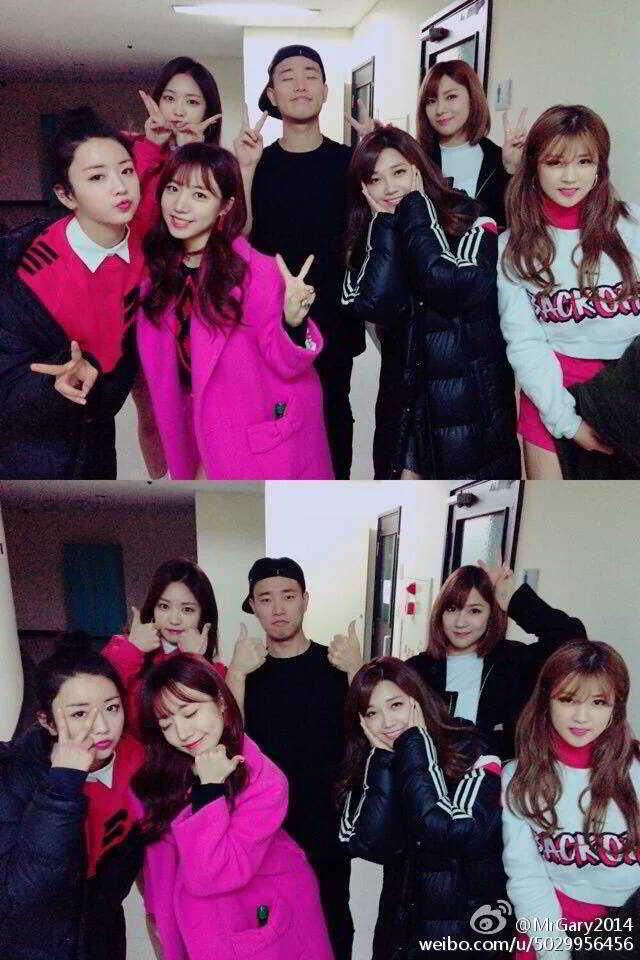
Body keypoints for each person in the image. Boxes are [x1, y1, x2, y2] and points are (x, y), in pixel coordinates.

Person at [135, 141, 333, 479]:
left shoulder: (258, 271)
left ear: (225, 206)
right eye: (173, 188)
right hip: (193, 429)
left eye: (200, 195)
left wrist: (293, 322)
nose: (180, 205)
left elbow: (287, 363)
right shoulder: (157, 275)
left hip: (256, 435)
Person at [341, 125, 521, 479]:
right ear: (363, 188)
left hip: (470, 405)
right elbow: (375, 306)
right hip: (404, 407)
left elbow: (450, 289)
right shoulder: (368, 238)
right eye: (375, 179)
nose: (390, 188)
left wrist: (417, 209)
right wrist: (386, 226)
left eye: (399, 172)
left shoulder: (472, 217)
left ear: (419, 169)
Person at [131, 653, 334, 960]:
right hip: (189, 924)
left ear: (221, 702)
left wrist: (209, 790)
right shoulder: (158, 775)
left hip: (255, 919)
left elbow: (213, 874)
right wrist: (157, 919)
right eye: (167, 724)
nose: (183, 733)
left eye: (190, 713)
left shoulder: (264, 780)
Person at [0, 112, 160, 479]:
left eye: (126, 171)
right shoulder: (31, 273)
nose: (120, 187)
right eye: (97, 177)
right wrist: (51, 385)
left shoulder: (147, 244)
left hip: (98, 439)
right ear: (66, 194)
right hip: (35, 454)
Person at [235, 45, 366, 478]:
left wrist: (381, 151)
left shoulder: (350, 162)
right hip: (271, 318)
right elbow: (239, 234)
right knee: (277, 421)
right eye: (287, 76)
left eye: (310, 74)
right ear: (272, 95)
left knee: (333, 417)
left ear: (325, 91)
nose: (300, 84)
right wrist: (245, 169)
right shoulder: (259, 163)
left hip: (336, 317)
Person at [498, 104, 640, 479]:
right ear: (535, 166)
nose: (570, 176)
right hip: (553, 395)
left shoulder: (633, 225)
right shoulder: (511, 247)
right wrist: (568, 422)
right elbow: (525, 343)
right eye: (555, 162)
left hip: (629, 391)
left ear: (599, 166)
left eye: (584, 161)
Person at [337, 656, 510, 960]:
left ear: (417, 700)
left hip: (468, 930)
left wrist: (416, 744)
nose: (387, 723)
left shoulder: (470, 746)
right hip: (402, 930)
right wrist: (385, 762)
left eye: (396, 705)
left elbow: (451, 832)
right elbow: (369, 845)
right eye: (372, 713)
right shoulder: (373, 762)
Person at [227, 557, 353, 959]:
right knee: (272, 921)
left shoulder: (334, 666)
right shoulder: (246, 672)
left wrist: (357, 671)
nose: (278, 608)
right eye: (265, 599)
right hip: (266, 821)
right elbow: (229, 742)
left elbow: (367, 733)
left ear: (305, 600)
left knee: (333, 913)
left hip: (326, 817)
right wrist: (236, 674)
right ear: (252, 605)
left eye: (288, 596)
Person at [0, 647, 144, 960]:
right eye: (79, 714)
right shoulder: (14, 776)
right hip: (39, 946)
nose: (102, 727)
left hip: (101, 936)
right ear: (47, 722)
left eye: (112, 708)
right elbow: (20, 896)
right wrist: (63, 783)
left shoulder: (137, 760)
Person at [502, 639, 640, 960]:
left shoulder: (635, 769)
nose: (581, 717)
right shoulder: (518, 778)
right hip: (557, 922)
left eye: (598, 702)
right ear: (546, 701)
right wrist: (554, 952)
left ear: (616, 707)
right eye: (567, 699)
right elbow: (526, 877)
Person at [406, 561, 586, 758]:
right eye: (452, 609)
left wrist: (512, 599)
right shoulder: (416, 670)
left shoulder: (513, 661)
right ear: (440, 613)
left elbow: (572, 638)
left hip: (501, 773)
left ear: (491, 614)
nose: (460, 622)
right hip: (430, 775)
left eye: (474, 610)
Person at [103, 557, 224, 737]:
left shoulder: (213, 669)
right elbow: (100, 695)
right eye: (164, 606)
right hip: (127, 751)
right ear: (153, 607)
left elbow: (218, 726)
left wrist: (194, 662)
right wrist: (132, 650)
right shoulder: (122, 647)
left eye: (187, 609)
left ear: (203, 615)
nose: (174, 619)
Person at [416, 59, 527, 229]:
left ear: (472, 98)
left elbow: (518, 223)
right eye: (431, 101)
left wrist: (512, 171)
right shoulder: (416, 159)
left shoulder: (498, 158)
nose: (440, 109)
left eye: (451, 97)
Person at [132, 56, 223, 232]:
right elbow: (115, 201)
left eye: (192, 102)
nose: (178, 111)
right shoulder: (133, 150)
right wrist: (151, 146)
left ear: (207, 111)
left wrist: (188, 153)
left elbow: (221, 229)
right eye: (169, 98)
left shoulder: (218, 166)